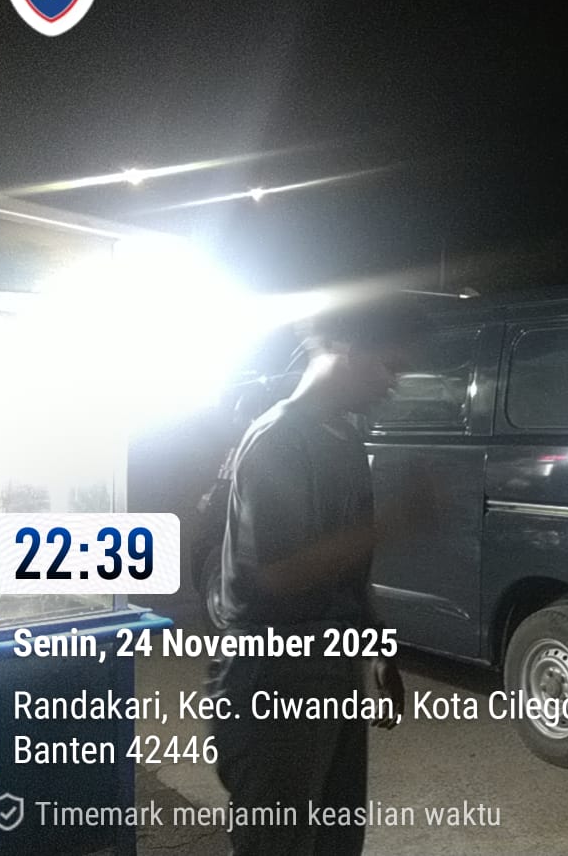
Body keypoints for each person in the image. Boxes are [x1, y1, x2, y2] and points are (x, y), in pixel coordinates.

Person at [207, 298, 419, 856]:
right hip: (273, 678)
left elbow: (348, 573)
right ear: (344, 346)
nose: (393, 383)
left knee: (336, 841)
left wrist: (379, 650)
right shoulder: (279, 438)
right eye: (388, 365)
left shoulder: (345, 439)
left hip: (333, 673)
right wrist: (396, 521)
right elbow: (276, 575)